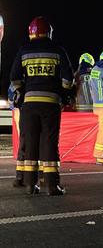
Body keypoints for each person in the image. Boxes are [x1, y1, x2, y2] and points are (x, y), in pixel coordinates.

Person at [9, 16, 74, 195]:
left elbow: (14, 78)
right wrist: (63, 93)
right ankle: (52, 186)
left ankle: (30, 185)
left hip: (29, 105)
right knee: (49, 143)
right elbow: (68, 79)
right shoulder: (58, 50)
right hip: (51, 104)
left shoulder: (23, 51)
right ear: (49, 32)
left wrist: (23, 92)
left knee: (30, 143)